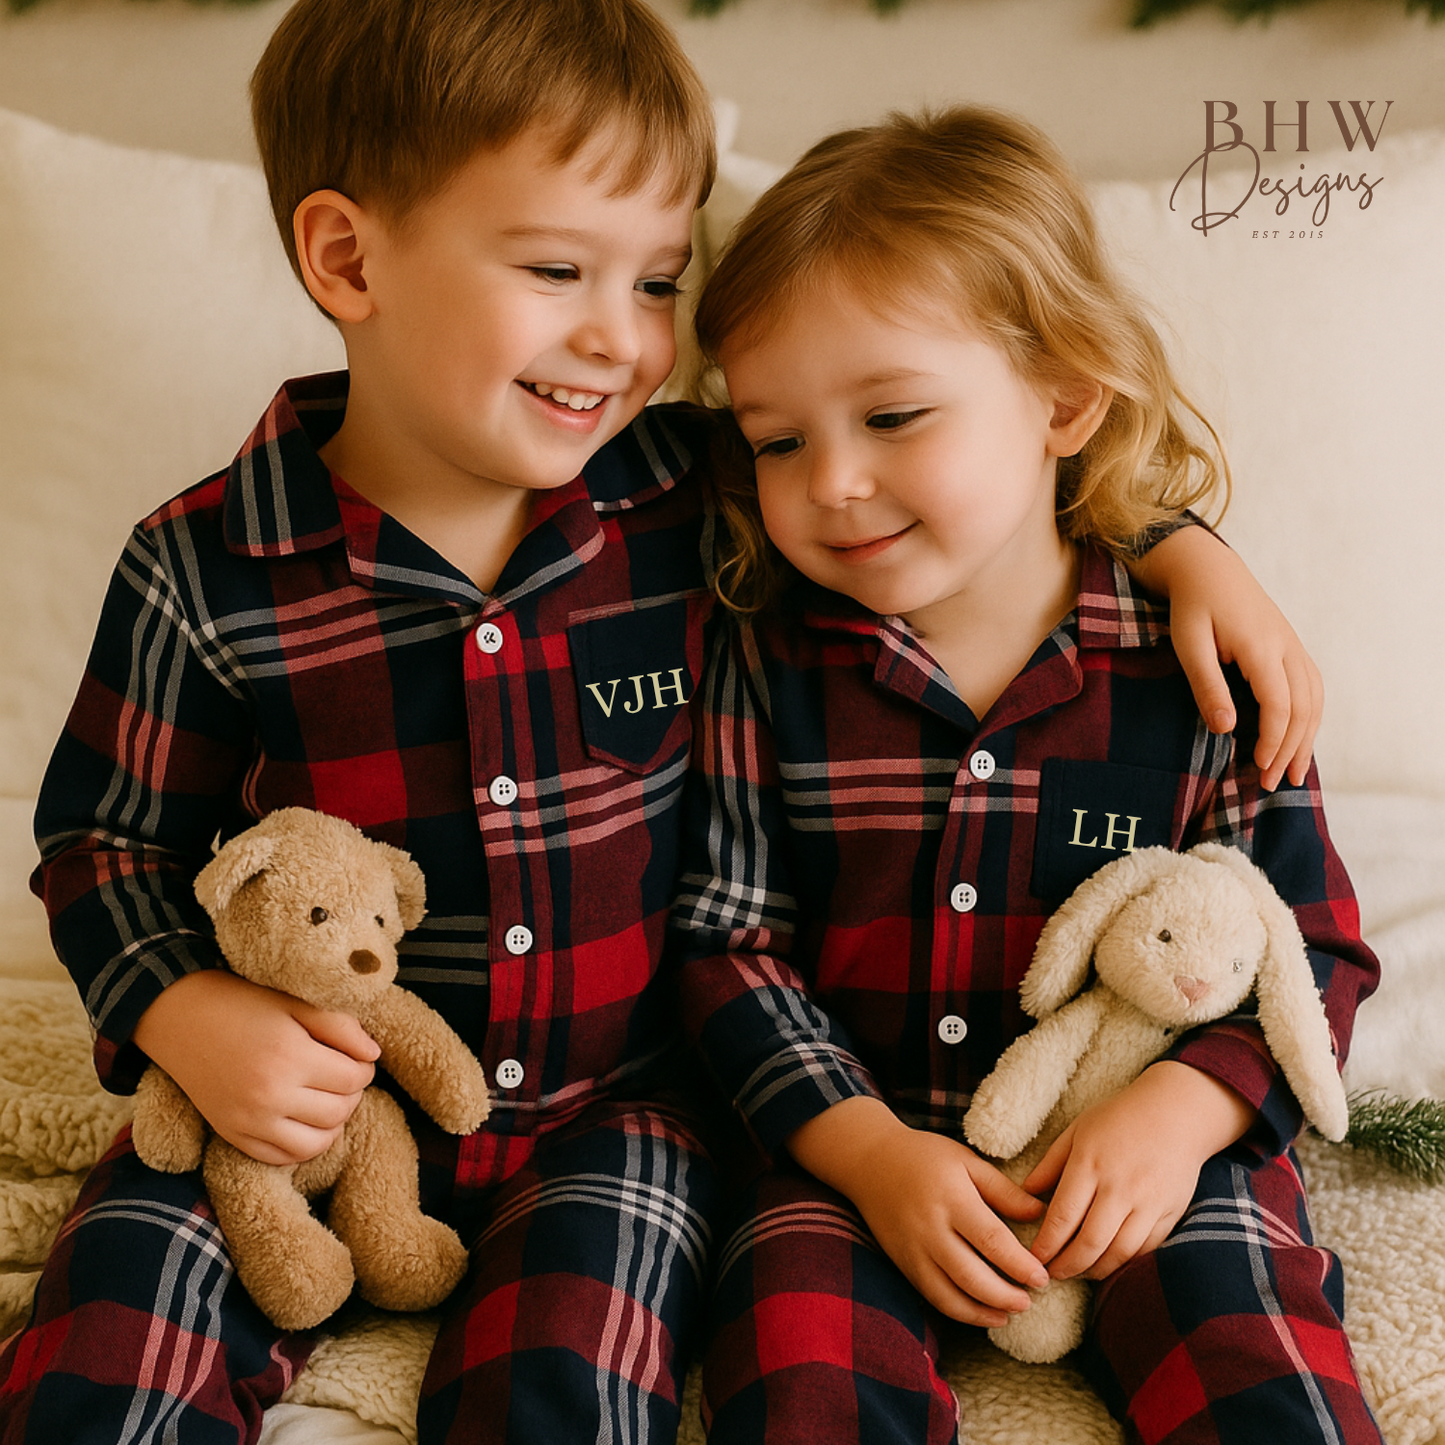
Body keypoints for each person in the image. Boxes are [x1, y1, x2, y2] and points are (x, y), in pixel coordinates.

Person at [0, 0, 1321, 1434]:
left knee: (556, 1387)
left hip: (608, 1117)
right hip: (290, 1111)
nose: (619, 340)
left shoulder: (699, 494)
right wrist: (188, 1015)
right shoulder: (207, 564)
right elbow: (102, 841)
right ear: (346, 255)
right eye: (560, 268)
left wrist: (1185, 546)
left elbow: (974, 467)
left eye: (656, 285)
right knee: (105, 1344)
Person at [671, 107, 1381, 1445]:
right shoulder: (763, 651)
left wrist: (1180, 1117)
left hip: (1143, 1149)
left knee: (1247, 1344)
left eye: (893, 414)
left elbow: (1316, 952)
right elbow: (724, 946)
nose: (832, 481)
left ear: (1063, 398)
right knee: (797, 1351)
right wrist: (870, 1156)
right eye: (775, 440)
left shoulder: (1199, 664)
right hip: (857, 1148)